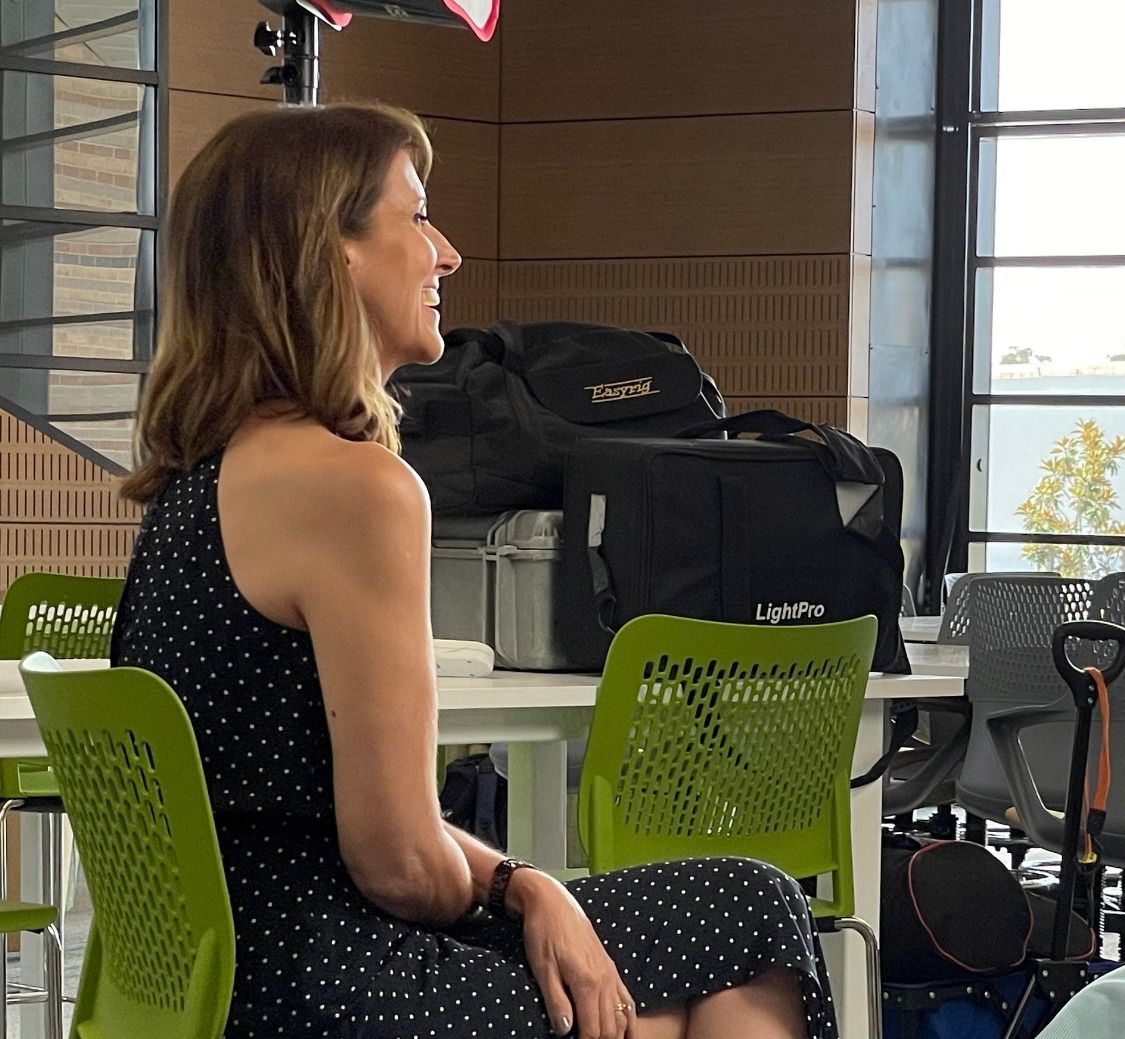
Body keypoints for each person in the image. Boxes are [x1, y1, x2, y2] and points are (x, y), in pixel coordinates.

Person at [112, 101, 839, 1039]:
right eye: (416, 217)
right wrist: (521, 891)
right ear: (331, 252)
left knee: (714, 934)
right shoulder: (355, 488)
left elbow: (322, 823)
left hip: (219, 983)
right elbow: (398, 865)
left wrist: (524, 884)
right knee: (747, 919)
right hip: (336, 988)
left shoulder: (196, 486)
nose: (446, 254)